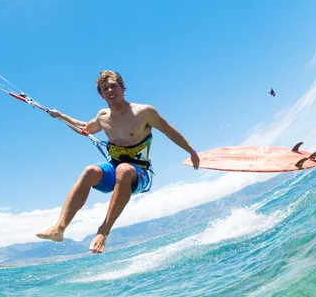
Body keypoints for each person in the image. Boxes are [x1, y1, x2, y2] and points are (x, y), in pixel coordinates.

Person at [36, 70, 200, 254]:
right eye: (104, 88)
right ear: (100, 94)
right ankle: (59, 228)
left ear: (123, 88)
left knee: (123, 169)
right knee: (90, 171)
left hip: (140, 173)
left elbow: (169, 131)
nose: (110, 90)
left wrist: (191, 151)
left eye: (113, 85)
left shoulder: (144, 112)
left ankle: (103, 232)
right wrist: (61, 116)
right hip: (115, 170)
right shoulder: (103, 117)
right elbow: (84, 128)